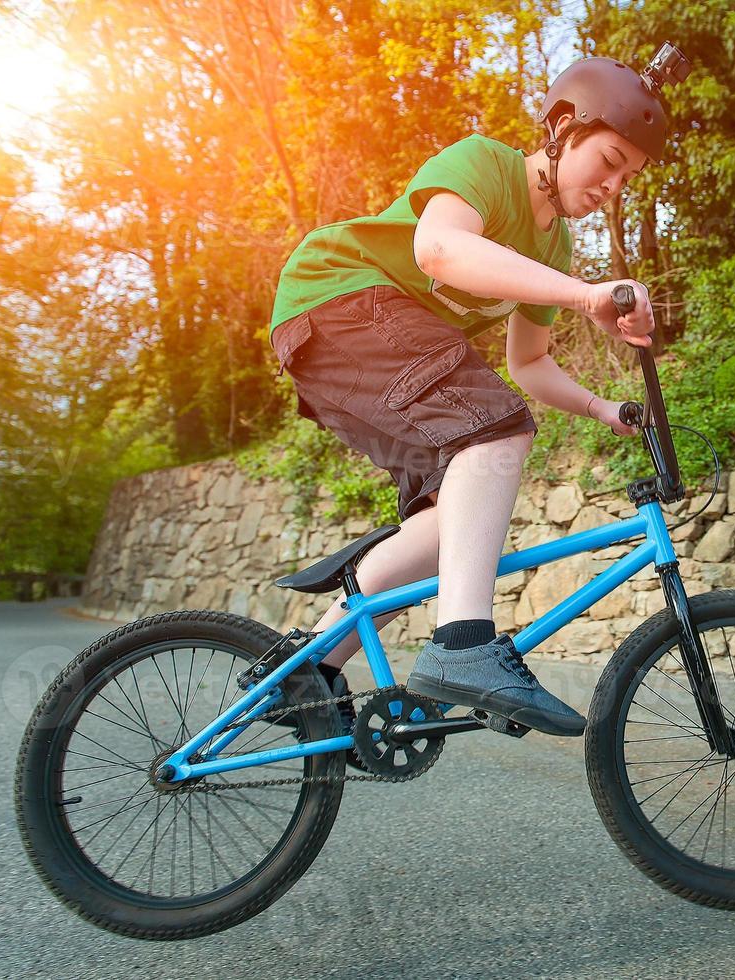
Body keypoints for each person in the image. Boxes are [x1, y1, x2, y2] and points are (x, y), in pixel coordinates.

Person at [267, 49, 688, 738]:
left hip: (352, 355)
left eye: (629, 177)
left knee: (447, 527)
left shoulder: (553, 251)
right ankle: (462, 643)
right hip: (335, 301)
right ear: (562, 129)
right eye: (609, 161)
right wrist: (587, 298)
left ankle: (309, 667)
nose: (614, 185)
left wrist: (602, 408)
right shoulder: (485, 164)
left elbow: (529, 363)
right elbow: (440, 251)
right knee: (495, 429)